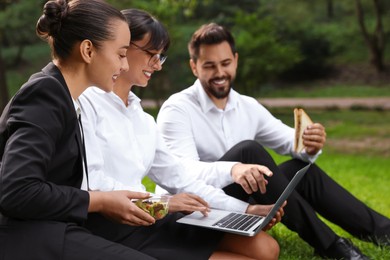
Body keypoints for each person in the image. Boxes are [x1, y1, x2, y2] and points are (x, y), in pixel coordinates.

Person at [156, 23, 390, 260]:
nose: (219, 73)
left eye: (225, 63)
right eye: (209, 65)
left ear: (235, 60)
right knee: (248, 152)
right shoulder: (177, 109)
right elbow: (181, 175)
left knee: (302, 170)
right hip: (194, 208)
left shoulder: (247, 106)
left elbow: (291, 142)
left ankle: (385, 232)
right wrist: (234, 169)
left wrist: (309, 143)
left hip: (238, 201)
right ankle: (332, 246)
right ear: (194, 67)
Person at [79, 9, 282, 260]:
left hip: (153, 218)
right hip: (114, 228)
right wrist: (162, 203)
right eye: (151, 54)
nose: (157, 65)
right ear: (121, 46)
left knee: (267, 249)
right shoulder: (87, 103)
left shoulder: (142, 119)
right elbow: (93, 183)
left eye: (161, 57)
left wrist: (247, 209)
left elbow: (181, 177)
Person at [0, 1, 160, 259]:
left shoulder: (66, 96)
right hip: (26, 235)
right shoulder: (44, 94)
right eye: (120, 54)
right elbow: (17, 191)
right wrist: (100, 201)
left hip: (56, 226)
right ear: (87, 50)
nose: (125, 66)